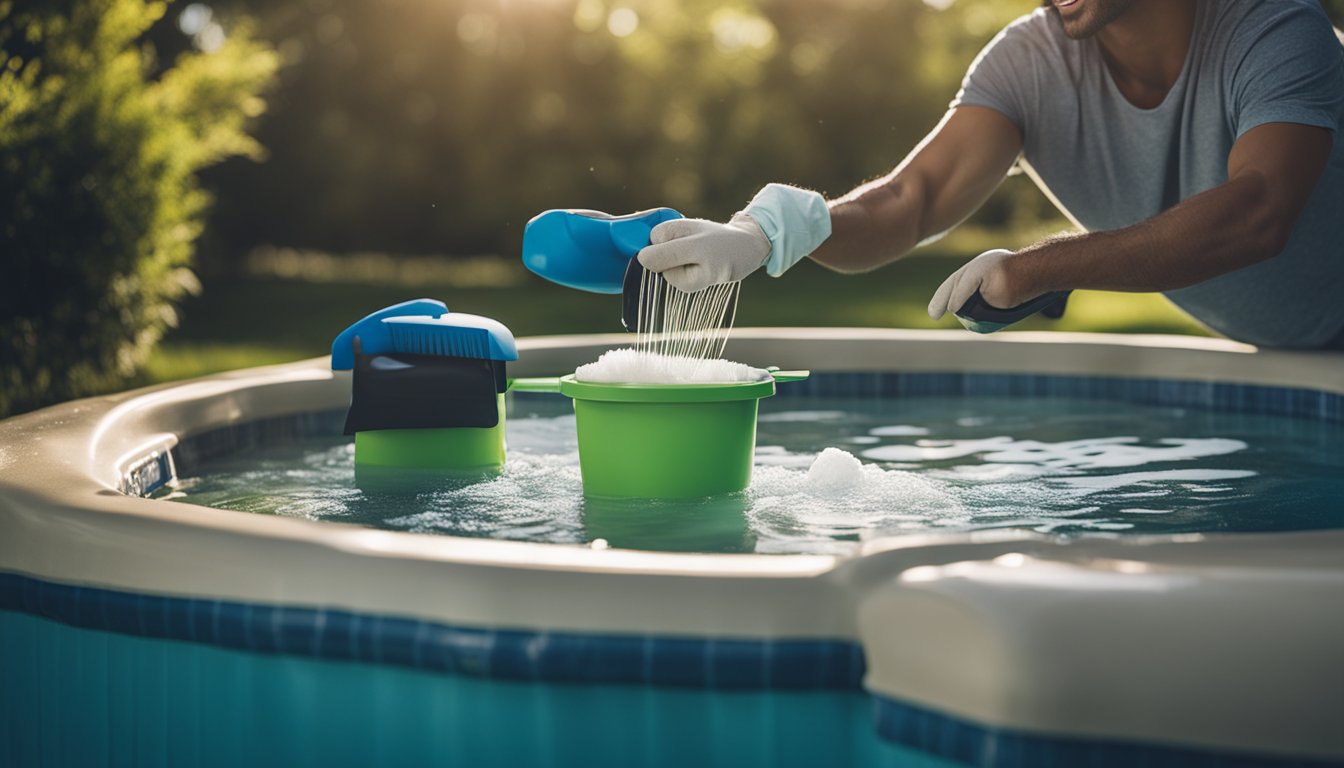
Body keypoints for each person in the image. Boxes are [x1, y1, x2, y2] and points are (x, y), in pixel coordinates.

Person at [636, 0, 1344, 349]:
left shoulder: (1277, 29)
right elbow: (911, 200)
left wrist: (1042, 269)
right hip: (1293, 357)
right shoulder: (1028, 62)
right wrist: (769, 230)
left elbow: (1260, 212)